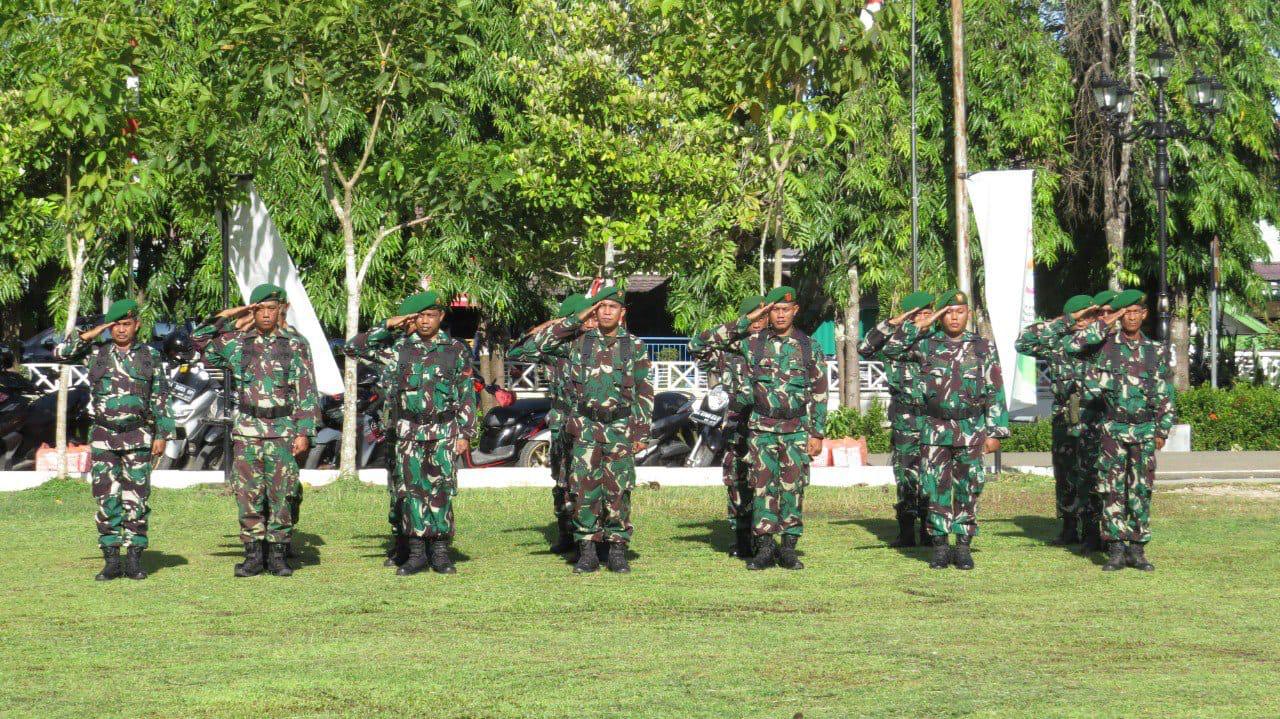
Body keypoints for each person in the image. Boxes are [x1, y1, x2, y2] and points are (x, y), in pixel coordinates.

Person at [344, 291, 477, 575]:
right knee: (411, 492)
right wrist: (389, 324)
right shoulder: (400, 349)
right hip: (408, 431)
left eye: (430, 315)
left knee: (441, 490)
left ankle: (440, 551)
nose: (425, 321)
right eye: (419, 316)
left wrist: (465, 433)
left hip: (443, 431)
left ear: (441, 316)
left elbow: (466, 394)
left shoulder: (456, 350)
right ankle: (416, 552)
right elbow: (353, 348)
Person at [193, 284, 320, 577]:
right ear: (252, 311)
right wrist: (231, 314)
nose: (265, 314)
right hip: (247, 432)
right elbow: (198, 339)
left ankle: (278, 555)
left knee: (282, 495)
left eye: (271, 308)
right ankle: (252, 555)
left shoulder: (295, 344)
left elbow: (306, 392)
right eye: (259, 309)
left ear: (281, 310)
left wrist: (304, 433)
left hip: (283, 431)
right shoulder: (237, 343)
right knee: (248, 494)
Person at [883, 290, 1009, 570]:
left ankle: (962, 545)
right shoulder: (926, 345)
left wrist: (996, 431)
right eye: (948, 312)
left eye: (959, 311)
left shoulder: (982, 347)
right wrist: (920, 325)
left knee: (969, 487)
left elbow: (995, 389)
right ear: (941, 316)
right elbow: (890, 349)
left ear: (968, 314)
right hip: (935, 428)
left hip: (971, 428)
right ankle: (939, 545)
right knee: (935, 488)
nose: (954, 317)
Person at [532, 285, 653, 574]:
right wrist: (576, 317)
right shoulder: (578, 342)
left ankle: (616, 549)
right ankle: (586, 549)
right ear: (594, 311)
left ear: (623, 313)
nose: (607, 311)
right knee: (584, 489)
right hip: (585, 427)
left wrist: (641, 431)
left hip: (620, 428)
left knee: (618, 490)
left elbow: (644, 389)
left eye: (613, 307)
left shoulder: (633, 346)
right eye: (602, 306)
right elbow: (540, 343)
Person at [53, 299, 175, 581]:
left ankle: (133, 559)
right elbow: (62, 351)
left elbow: (161, 397)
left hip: (138, 436)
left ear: (137, 325)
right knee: (106, 498)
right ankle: (111, 560)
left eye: (126, 324)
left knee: (137, 499)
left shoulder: (149, 356)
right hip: (104, 437)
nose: (121, 330)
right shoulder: (96, 354)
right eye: (116, 324)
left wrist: (163, 434)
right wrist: (98, 329)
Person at [1066, 289, 1174, 572]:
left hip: (1144, 428)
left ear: (1144, 315)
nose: (1132, 317)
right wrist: (1106, 321)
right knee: (1111, 489)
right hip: (1113, 427)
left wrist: (1162, 429)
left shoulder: (1156, 351)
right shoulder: (1105, 347)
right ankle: (1115, 548)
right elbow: (1073, 344)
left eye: (1136, 312)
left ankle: (1137, 550)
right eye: (1126, 313)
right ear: (1119, 316)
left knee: (1140, 489)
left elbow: (1165, 393)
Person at [733, 286, 828, 571]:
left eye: (786, 309)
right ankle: (763, 547)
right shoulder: (753, 344)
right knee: (762, 486)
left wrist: (817, 433)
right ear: (767, 312)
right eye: (775, 309)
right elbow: (710, 341)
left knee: (793, 488)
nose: (781, 314)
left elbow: (820, 391)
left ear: (795, 310)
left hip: (797, 428)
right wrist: (749, 318)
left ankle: (788, 548)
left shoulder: (809, 346)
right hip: (762, 427)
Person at [689, 293, 768, 559]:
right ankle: (742, 537)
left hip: (767, 428)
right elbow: (697, 344)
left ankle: (766, 538)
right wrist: (740, 325)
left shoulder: (775, 347)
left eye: (763, 316)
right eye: (754, 318)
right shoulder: (726, 351)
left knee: (768, 483)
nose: (759, 323)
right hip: (736, 428)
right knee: (737, 481)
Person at [509, 293, 589, 555]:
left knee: (588, 481)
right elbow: (519, 350)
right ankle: (566, 532)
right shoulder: (556, 346)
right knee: (563, 480)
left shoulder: (600, 346)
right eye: (584, 316)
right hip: (563, 423)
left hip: (592, 423)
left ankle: (587, 536)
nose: (591, 322)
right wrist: (551, 326)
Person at [1014, 294, 1096, 545]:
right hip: (1065, 415)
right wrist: (1063, 323)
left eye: (1089, 316)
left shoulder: (1100, 340)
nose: (1084, 322)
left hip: (1095, 414)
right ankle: (1069, 525)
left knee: (1093, 472)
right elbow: (1023, 343)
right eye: (1080, 317)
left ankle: (1094, 528)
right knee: (1066, 472)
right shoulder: (1056, 342)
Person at [859, 291, 933, 547]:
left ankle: (930, 529)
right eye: (917, 316)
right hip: (906, 416)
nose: (924, 320)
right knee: (905, 474)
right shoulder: (894, 341)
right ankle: (906, 530)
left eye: (927, 314)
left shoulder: (937, 339)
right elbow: (864, 348)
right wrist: (892, 323)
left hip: (934, 416)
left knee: (931, 474)